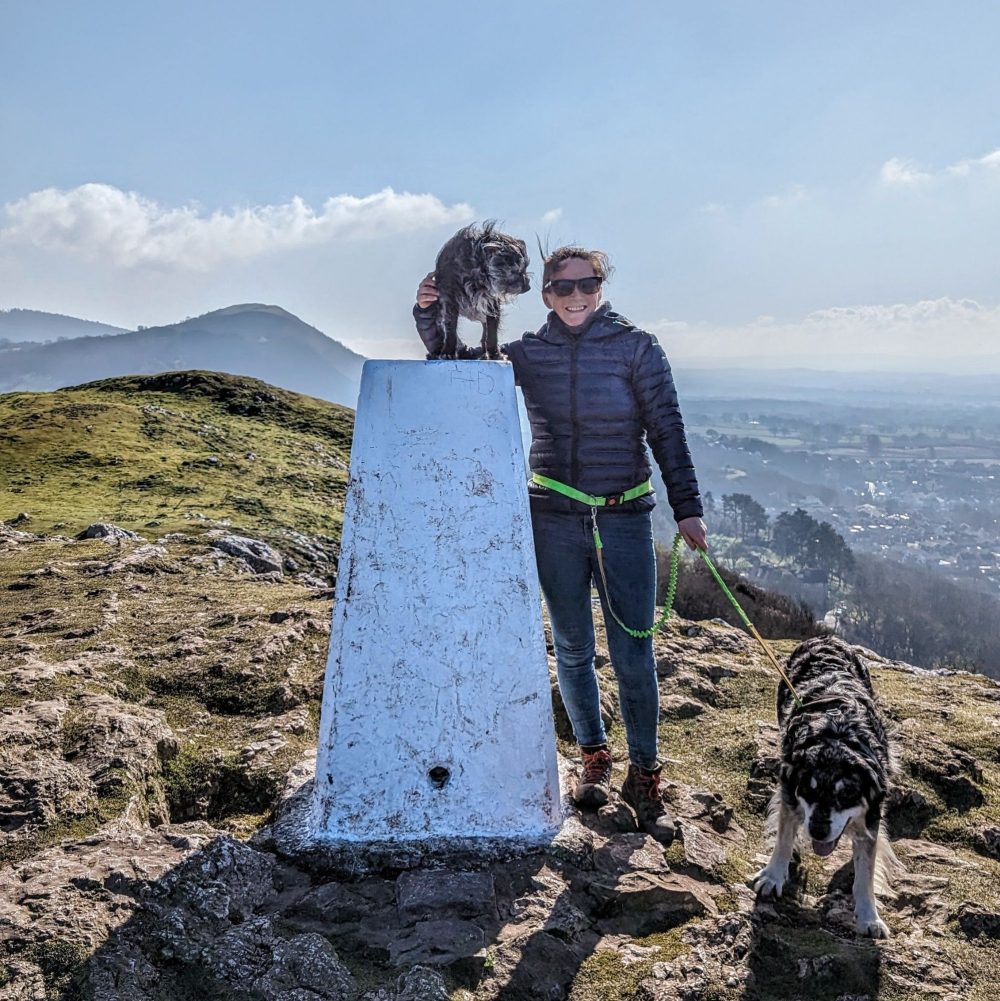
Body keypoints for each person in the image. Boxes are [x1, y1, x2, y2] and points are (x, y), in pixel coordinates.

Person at [413, 246, 708, 844]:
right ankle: (594, 758)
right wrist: (429, 314)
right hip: (552, 516)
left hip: (624, 517)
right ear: (543, 293)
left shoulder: (638, 347)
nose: (576, 296)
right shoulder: (527, 353)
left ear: (601, 287)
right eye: (562, 286)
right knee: (572, 648)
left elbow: (667, 429)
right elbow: (461, 370)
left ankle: (646, 775)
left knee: (633, 654)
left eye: (587, 284)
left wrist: (688, 508)